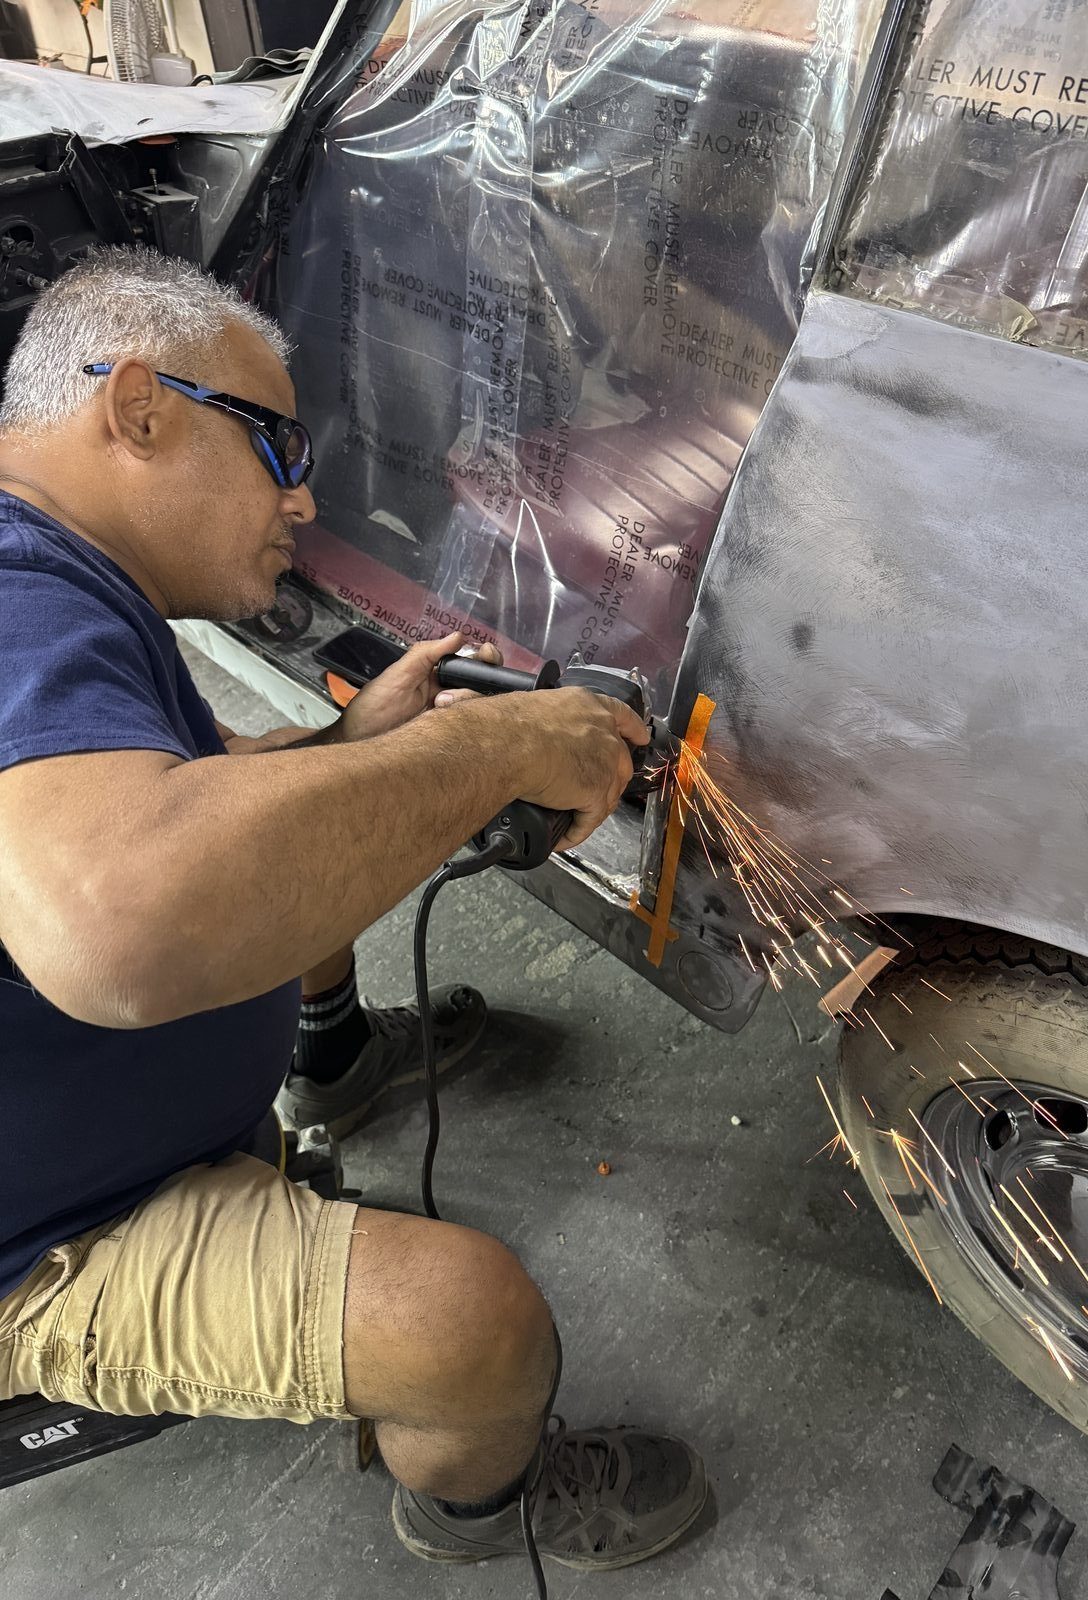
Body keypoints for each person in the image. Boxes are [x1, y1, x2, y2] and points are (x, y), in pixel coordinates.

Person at [0, 247, 705, 1570]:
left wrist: (363, 754)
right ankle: (477, 1504)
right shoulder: (12, 598)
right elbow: (118, 924)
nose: (304, 493)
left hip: (67, 1106)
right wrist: (479, 757)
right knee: (473, 1324)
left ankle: (330, 1062)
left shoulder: (69, 585)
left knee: (284, 803)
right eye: (277, 445)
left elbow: (196, 816)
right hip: (41, 1237)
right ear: (140, 411)